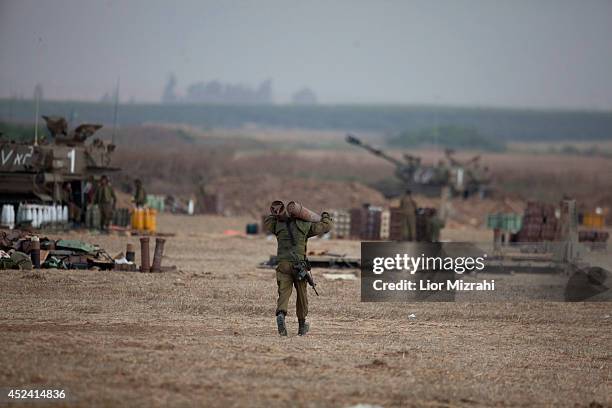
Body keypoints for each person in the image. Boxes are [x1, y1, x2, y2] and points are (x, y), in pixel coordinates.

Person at [263, 203, 333, 336]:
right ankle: (302, 326)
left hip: (283, 265)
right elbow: (326, 226)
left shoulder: (278, 225)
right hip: (299, 266)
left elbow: (268, 221)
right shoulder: (305, 226)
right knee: (302, 296)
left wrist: (279, 215)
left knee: (283, 293)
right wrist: (325, 216)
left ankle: (281, 314)